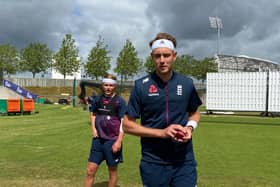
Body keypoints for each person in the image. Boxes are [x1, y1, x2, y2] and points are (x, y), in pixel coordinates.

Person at [123, 32, 202, 187]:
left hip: (184, 161)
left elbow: (194, 113)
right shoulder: (141, 86)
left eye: (166, 55)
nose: (162, 60)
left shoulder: (186, 84)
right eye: (157, 56)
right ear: (152, 57)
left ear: (174, 56)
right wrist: (161, 133)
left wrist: (190, 128)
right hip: (153, 162)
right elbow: (127, 125)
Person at [84, 74, 126, 187]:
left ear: (115, 86)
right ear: (102, 85)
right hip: (98, 141)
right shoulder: (97, 99)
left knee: (112, 172)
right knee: (90, 171)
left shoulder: (120, 101)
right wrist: (93, 129)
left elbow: (123, 122)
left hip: (112, 141)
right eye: (106, 85)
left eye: (111, 85)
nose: (108, 88)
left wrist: (119, 141)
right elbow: (93, 114)